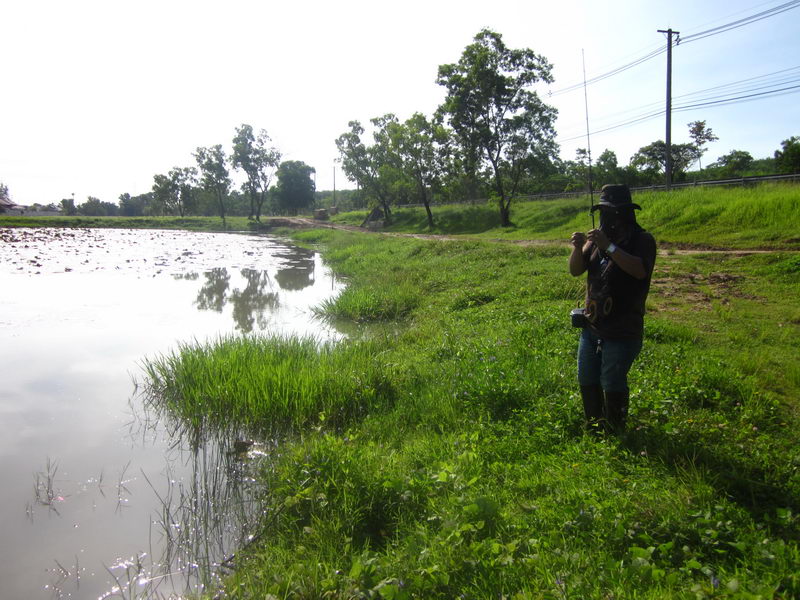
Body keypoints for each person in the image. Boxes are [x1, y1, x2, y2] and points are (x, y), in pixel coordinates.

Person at [569, 184, 656, 433]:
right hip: (592, 326)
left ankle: (616, 431)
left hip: (623, 328)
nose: (608, 217)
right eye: (603, 211)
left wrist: (609, 246)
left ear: (625, 212)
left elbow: (639, 270)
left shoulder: (642, 240)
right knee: (587, 377)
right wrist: (578, 248)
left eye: (612, 211)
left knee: (612, 380)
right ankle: (594, 427)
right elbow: (576, 270)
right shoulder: (598, 238)